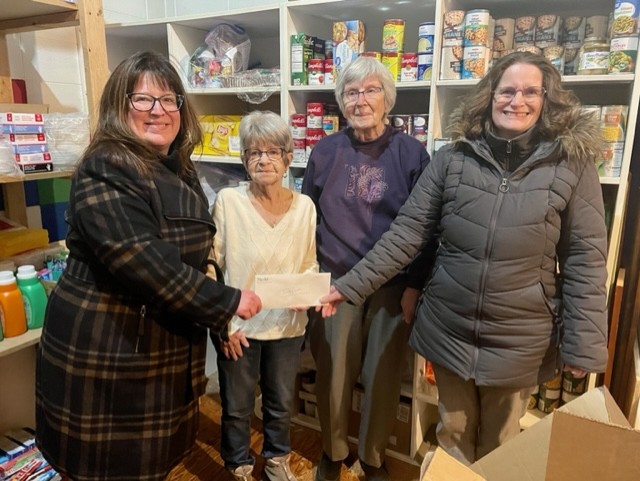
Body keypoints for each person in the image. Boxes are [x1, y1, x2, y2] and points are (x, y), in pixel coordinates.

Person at [319, 51, 609, 465]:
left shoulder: (571, 164)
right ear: (490, 95)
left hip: (518, 338)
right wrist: (347, 288)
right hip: (450, 328)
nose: (517, 101)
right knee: (451, 435)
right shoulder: (453, 158)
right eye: (507, 91)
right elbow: (407, 234)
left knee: (500, 444)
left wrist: (584, 344)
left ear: (547, 98)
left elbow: (585, 258)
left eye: (530, 92)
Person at [35, 51, 262, 481]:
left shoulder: (178, 167)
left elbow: (198, 246)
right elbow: (143, 261)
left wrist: (219, 312)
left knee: (149, 466)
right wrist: (227, 302)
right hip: (109, 356)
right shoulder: (105, 166)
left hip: (156, 351)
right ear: (118, 107)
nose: (158, 110)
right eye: (142, 99)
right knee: (106, 470)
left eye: (169, 99)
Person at [301, 56, 433, 481]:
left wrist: (414, 286)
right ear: (342, 101)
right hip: (336, 282)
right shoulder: (325, 151)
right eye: (352, 92)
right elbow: (307, 218)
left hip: (393, 285)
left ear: (387, 99)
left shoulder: (412, 154)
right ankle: (333, 451)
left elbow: (427, 228)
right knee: (333, 374)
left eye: (371, 90)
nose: (361, 100)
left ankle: (373, 456)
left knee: (382, 375)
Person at [210, 110, 318, 481]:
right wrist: (222, 323)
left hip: (288, 324)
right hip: (239, 327)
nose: (263, 160)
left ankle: (276, 460)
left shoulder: (305, 207)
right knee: (237, 405)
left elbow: (309, 263)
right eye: (254, 152)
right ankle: (239, 464)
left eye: (273, 152)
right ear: (244, 160)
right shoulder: (228, 201)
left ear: (288, 158)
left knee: (281, 402)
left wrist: (308, 291)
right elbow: (212, 266)